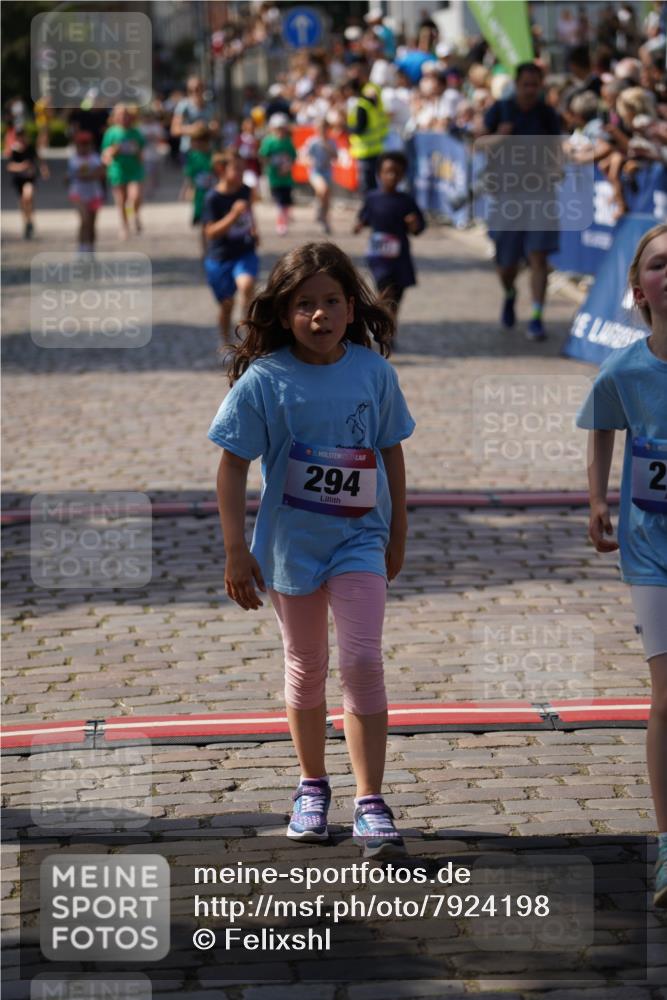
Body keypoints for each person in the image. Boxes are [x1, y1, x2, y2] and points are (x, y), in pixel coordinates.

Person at [208, 241, 415, 859]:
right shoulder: (264, 381)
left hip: (360, 540)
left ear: (352, 307)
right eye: (304, 304)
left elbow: (392, 451)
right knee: (305, 665)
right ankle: (312, 786)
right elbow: (232, 466)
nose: (319, 314)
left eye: (331, 302)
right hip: (290, 548)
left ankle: (371, 799)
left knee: (363, 661)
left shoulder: (374, 374)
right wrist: (235, 549)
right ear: (283, 312)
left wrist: (398, 531)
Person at [576, 223, 667, 909]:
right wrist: (597, 500)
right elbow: (601, 423)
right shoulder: (626, 368)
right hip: (652, 551)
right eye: (660, 264)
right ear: (638, 288)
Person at [480, 62, 562, 341]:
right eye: (525, 84)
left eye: (534, 85)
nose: (529, 90)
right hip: (507, 194)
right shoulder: (500, 109)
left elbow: (557, 149)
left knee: (539, 256)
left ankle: (537, 317)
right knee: (506, 264)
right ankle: (510, 292)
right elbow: (478, 144)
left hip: (540, 193)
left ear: (540, 86)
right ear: (516, 84)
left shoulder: (547, 114)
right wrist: (499, 136)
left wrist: (556, 168)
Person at [354, 151, 425, 328]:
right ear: (379, 173)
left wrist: (413, 224)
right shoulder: (372, 198)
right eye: (388, 172)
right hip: (379, 256)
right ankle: (382, 327)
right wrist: (359, 225)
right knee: (385, 292)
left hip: (400, 257)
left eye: (397, 172)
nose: (392, 176)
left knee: (396, 297)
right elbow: (364, 217)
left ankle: (389, 327)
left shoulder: (406, 201)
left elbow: (419, 228)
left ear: (402, 175)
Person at [202, 150, 259, 345]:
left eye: (243, 168)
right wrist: (233, 215)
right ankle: (225, 341)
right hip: (220, 256)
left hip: (244, 251)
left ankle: (248, 332)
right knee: (227, 305)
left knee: (247, 285)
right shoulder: (213, 198)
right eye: (236, 168)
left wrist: (254, 229)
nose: (242, 173)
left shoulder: (245, 190)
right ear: (221, 170)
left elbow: (249, 213)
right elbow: (210, 232)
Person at [101, 104, 145, 240]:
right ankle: (124, 226)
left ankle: (134, 215)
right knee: (121, 200)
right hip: (117, 170)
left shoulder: (136, 133)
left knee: (134, 197)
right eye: (120, 115)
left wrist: (136, 150)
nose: (123, 118)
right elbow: (105, 154)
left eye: (126, 115)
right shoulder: (111, 133)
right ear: (114, 117)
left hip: (134, 170)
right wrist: (112, 152)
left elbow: (142, 154)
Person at [347, 81, 389, 194]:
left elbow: (359, 128)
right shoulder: (376, 107)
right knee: (373, 181)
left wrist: (348, 128)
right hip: (376, 148)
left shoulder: (363, 106)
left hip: (365, 150)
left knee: (367, 183)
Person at [6, 125, 49, 239]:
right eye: (19, 135)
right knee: (23, 202)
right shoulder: (14, 150)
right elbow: (10, 166)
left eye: (22, 135)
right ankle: (27, 222)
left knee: (28, 196)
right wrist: (21, 166)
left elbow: (39, 159)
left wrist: (44, 170)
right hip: (18, 179)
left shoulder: (30, 148)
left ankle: (30, 221)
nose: (21, 137)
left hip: (29, 179)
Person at [67, 131, 105, 254]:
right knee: (84, 220)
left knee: (92, 224)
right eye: (81, 145)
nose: (83, 148)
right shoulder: (74, 159)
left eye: (86, 145)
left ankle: (91, 247)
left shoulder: (95, 158)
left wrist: (89, 175)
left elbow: (101, 173)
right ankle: (81, 247)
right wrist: (90, 175)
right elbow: (74, 175)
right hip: (78, 193)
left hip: (94, 193)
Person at [258, 113, 297, 236]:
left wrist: (287, 167)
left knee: (286, 200)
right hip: (274, 177)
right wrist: (269, 166)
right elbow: (263, 156)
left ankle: (285, 218)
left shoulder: (288, 142)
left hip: (287, 178)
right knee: (279, 201)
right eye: (278, 128)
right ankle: (281, 223)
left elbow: (293, 157)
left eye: (282, 128)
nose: (280, 131)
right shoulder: (269, 142)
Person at [170, 76, 219, 158]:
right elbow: (174, 129)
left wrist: (206, 128)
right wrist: (193, 129)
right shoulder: (183, 106)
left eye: (198, 89)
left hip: (207, 150)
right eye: (191, 90)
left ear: (203, 88)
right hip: (189, 150)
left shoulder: (211, 107)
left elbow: (216, 129)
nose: (195, 92)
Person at [304, 118, 338, 234]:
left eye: (325, 128)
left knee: (326, 197)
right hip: (315, 172)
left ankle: (324, 218)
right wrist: (310, 161)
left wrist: (328, 148)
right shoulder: (313, 142)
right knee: (323, 189)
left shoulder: (331, 142)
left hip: (327, 172)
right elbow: (305, 156)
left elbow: (335, 157)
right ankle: (320, 212)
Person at [184, 122, 214, 252]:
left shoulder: (214, 156)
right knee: (203, 222)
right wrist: (188, 189)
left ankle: (212, 248)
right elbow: (190, 175)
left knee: (212, 221)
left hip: (213, 193)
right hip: (200, 195)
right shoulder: (193, 156)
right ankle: (205, 251)